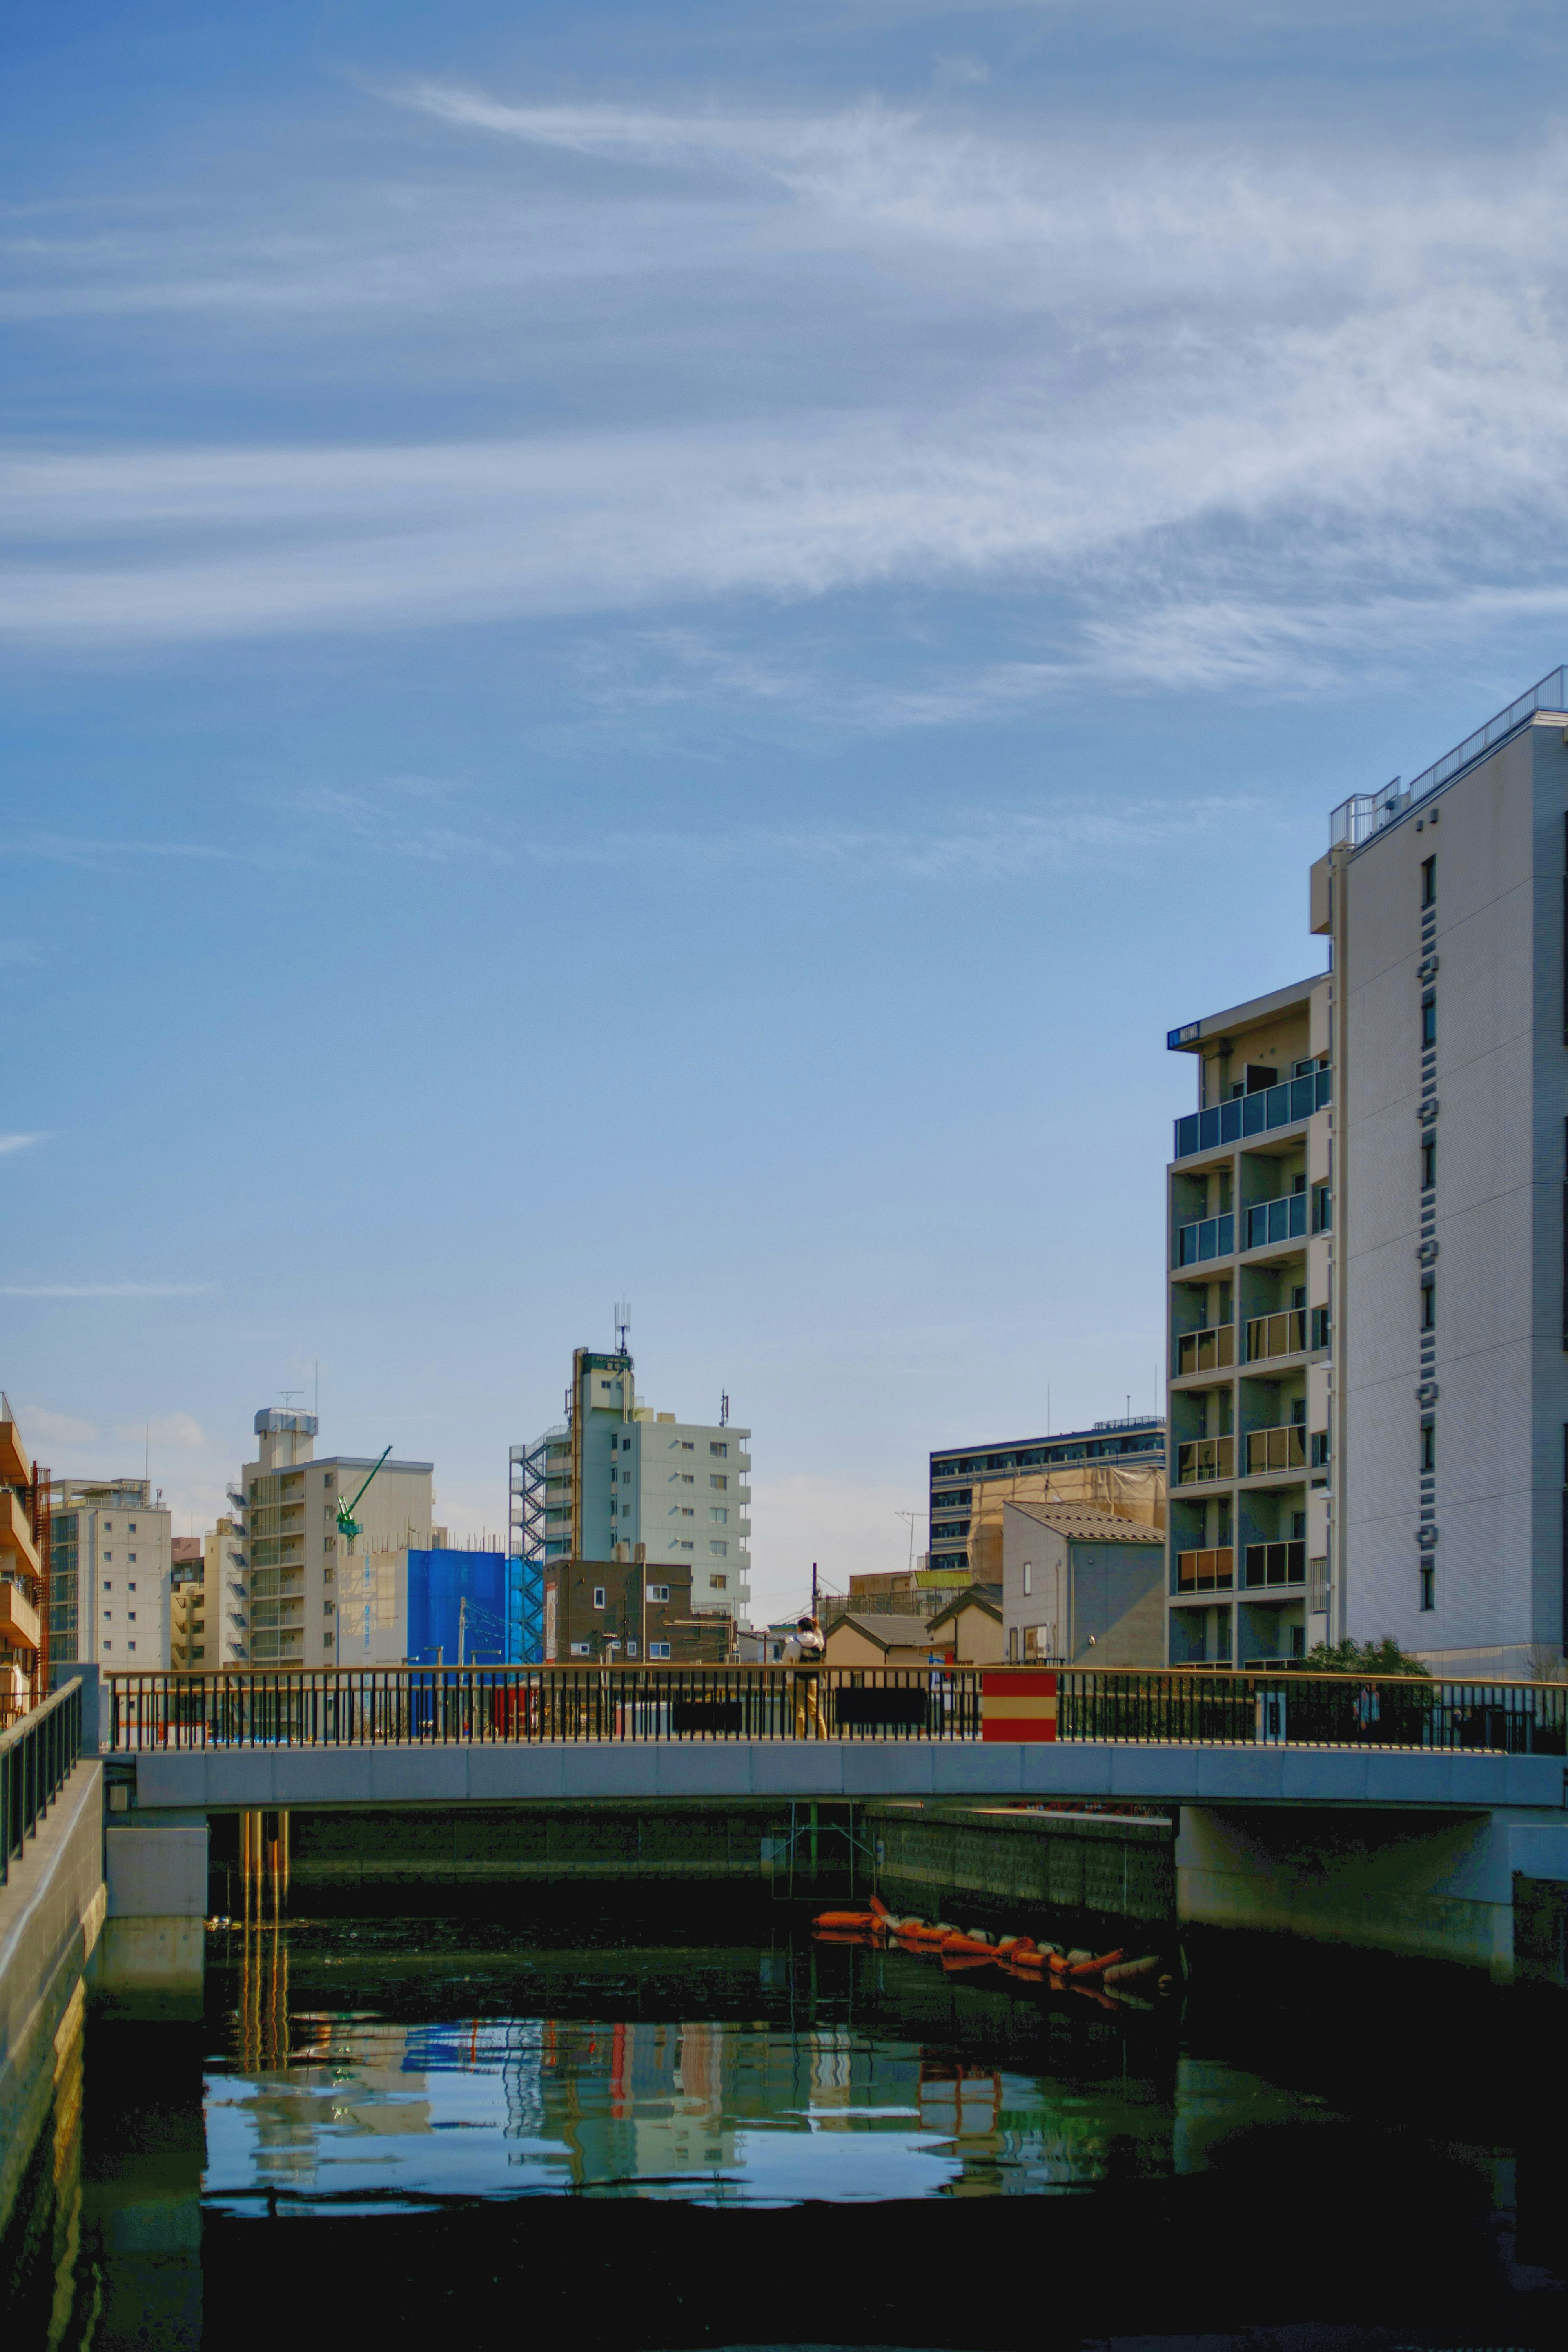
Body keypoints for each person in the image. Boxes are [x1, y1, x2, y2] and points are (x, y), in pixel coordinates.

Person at [790, 1612, 825, 1738]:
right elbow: (822, 1642)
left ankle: (802, 1738)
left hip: (796, 1679)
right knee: (815, 1711)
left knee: (800, 1711)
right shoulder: (817, 1643)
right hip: (812, 1679)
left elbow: (786, 1660)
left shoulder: (795, 1643)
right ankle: (823, 1738)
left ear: (800, 1629)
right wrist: (817, 1629)